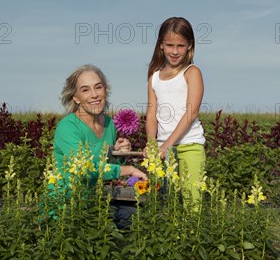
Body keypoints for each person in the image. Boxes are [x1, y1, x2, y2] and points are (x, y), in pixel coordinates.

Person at [53, 64, 147, 228]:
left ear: (105, 90)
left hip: (101, 198)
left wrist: (120, 154)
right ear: (75, 98)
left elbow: (109, 169)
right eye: (85, 90)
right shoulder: (68, 127)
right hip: (70, 205)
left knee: (140, 215)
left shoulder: (109, 124)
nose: (95, 94)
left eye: (98, 87)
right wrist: (128, 169)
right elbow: (85, 168)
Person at [145, 17, 206, 207]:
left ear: (189, 46)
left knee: (191, 202)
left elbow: (191, 113)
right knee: (164, 203)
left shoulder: (191, 72)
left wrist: (167, 145)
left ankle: (192, 237)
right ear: (161, 45)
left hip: (189, 145)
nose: (174, 51)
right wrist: (153, 145)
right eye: (169, 44)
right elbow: (151, 115)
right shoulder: (154, 77)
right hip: (163, 148)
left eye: (180, 45)